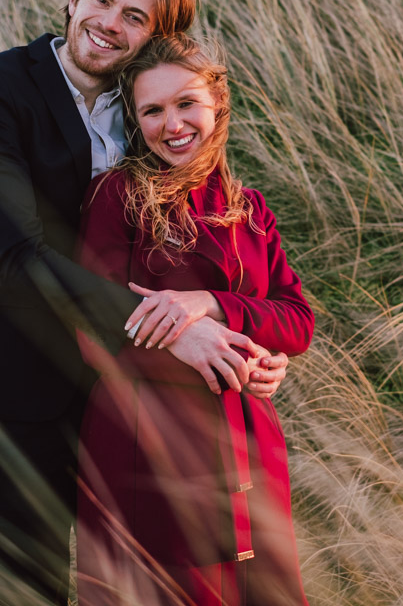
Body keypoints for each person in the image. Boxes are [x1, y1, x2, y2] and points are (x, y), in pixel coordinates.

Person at [0, 0, 292, 606]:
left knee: (129, 584)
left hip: (127, 400)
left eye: (135, 17)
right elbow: (13, 253)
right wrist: (175, 329)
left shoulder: (148, 107)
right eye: (103, 1)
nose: (109, 24)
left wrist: (245, 338)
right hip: (14, 386)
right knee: (29, 587)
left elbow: (192, 250)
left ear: (156, 37)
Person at [74, 34, 312, 605]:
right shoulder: (117, 196)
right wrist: (184, 337)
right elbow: (90, 328)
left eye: (186, 103)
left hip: (247, 435)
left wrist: (212, 305)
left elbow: (296, 321)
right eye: (152, 110)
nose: (172, 124)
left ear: (217, 106)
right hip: (147, 444)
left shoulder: (249, 207)